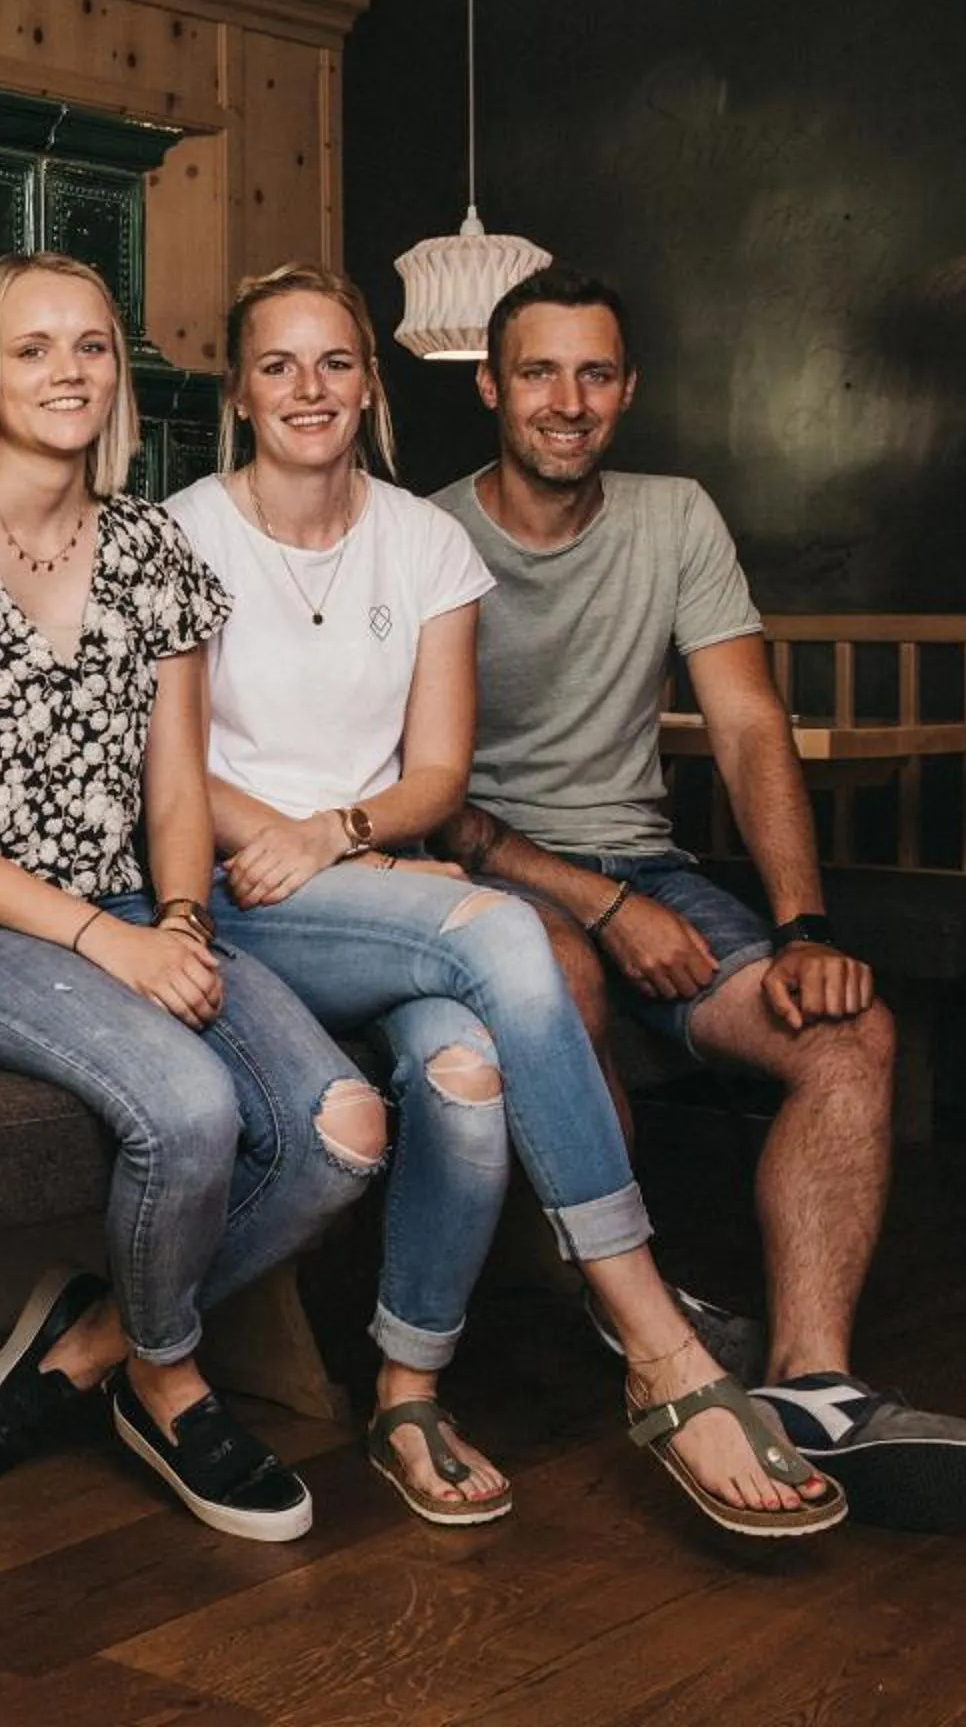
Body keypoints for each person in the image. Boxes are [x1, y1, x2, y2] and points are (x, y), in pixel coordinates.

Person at [164, 264, 842, 1537]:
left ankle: (404, 1390)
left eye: (336, 363)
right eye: (278, 365)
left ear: (371, 383)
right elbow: (173, 767)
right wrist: (308, 845)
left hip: (386, 881)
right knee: (508, 928)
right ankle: (657, 1337)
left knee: (470, 1082)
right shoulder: (183, 534)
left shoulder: (424, 542)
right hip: (243, 886)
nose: (310, 389)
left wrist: (348, 836)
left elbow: (436, 775)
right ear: (240, 393)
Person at [429, 263, 966, 1533]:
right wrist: (590, 900)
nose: (566, 401)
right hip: (485, 878)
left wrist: (802, 926)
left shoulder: (675, 514)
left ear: (627, 391)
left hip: (655, 872)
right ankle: (631, 1306)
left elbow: (749, 725)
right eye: (538, 372)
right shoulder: (425, 539)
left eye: (594, 374)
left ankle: (810, 1382)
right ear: (490, 386)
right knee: (562, 971)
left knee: (850, 1033)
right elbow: (431, 801)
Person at [0, 250, 372, 1545]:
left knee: (342, 1128)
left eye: (92, 347)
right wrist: (106, 944)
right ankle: (170, 1387)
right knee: (188, 1106)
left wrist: (176, 921)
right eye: (34, 347)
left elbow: (178, 790)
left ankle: (93, 1343)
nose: (68, 371)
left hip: (126, 908)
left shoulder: (150, 547)